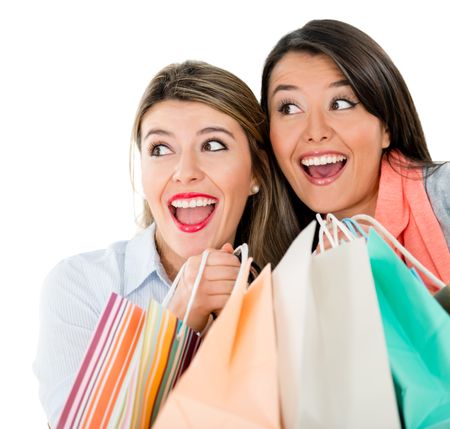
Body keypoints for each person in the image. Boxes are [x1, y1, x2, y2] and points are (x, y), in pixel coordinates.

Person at [33, 60, 293, 427]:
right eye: (160, 149)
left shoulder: (292, 291)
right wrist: (180, 314)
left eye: (213, 144)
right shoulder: (82, 285)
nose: (185, 170)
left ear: (256, 173)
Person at [260, 19, 450, 292]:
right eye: (289, 108)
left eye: (340, 104)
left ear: (386, 126)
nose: (315, 132)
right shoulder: (279, 268)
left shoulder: (444, 196)